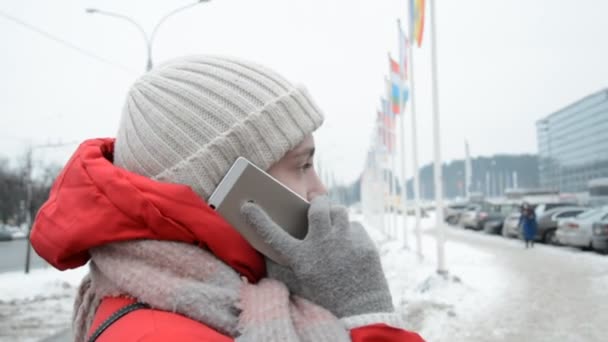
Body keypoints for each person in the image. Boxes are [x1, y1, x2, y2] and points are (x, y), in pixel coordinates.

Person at [30, 56, 424, 342]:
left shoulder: (216, 303)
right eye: (302, 166)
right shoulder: (160, 334)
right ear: (226, 187)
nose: (319, 190)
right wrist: (365, 314)